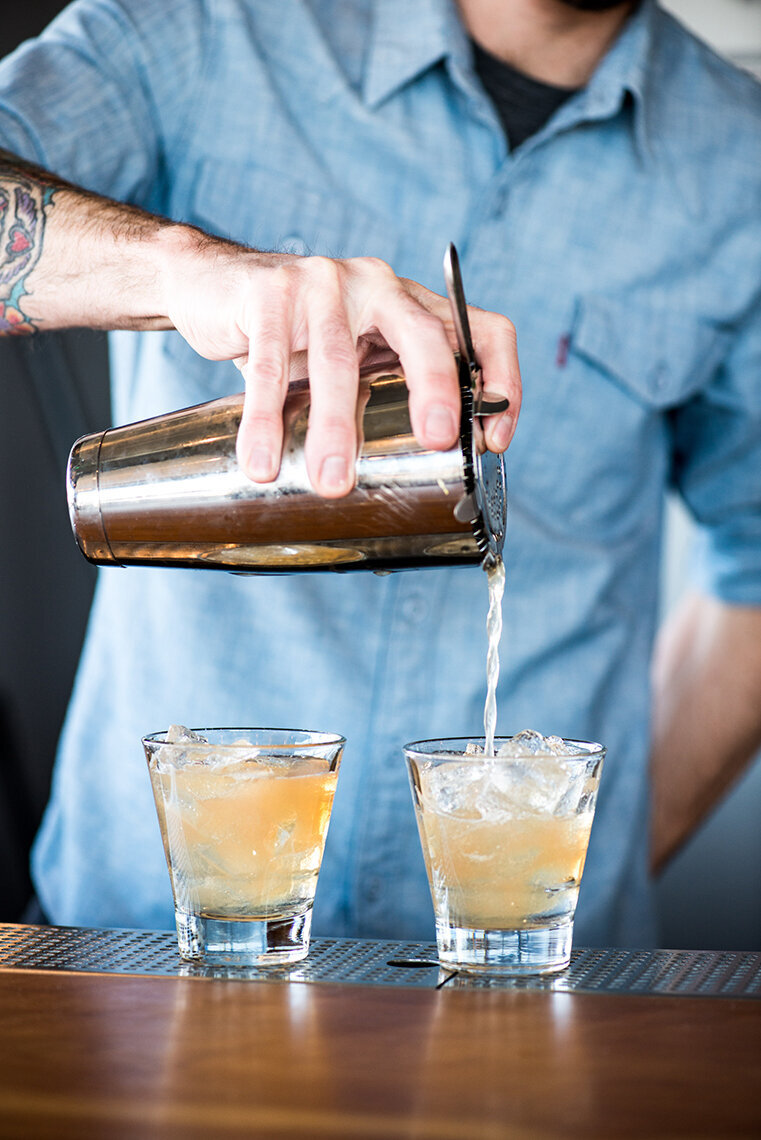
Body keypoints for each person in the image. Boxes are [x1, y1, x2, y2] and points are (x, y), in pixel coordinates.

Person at [1, 0, 760, 946]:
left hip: (533, 989)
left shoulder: (741, 161)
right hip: (140, 950)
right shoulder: (202, 25)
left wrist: (585, 860)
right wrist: (183, 269)